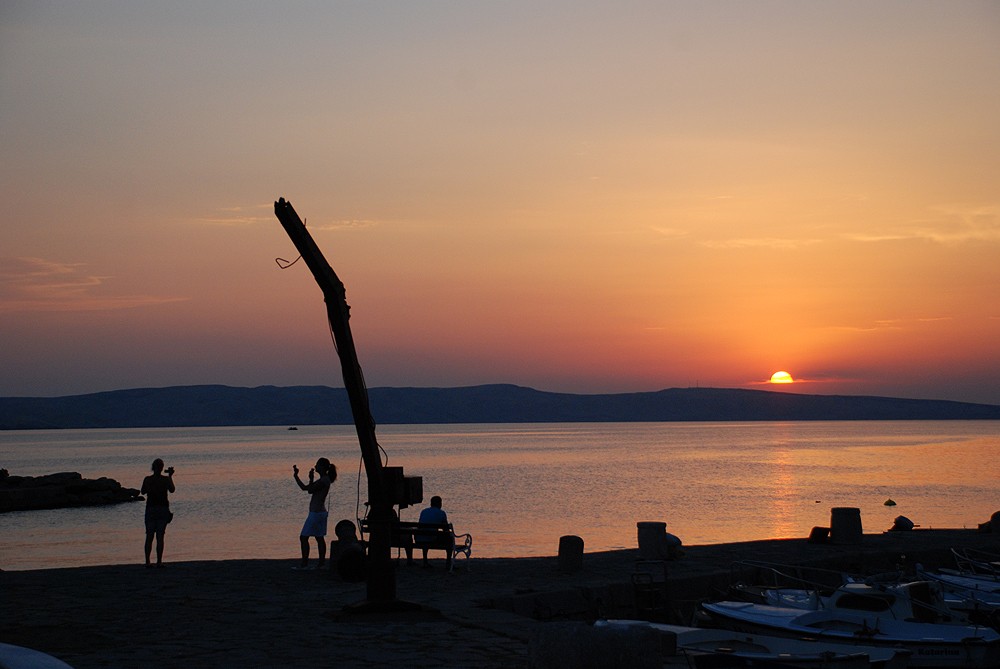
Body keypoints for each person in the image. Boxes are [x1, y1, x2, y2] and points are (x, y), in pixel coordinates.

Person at [292, 458, 335, 570]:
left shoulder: (323, 480)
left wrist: (309, 478)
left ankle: (305, 564)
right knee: (319, 537)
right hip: (319, 512)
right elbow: (306, 488)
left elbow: (309, 490)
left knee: (304, 537)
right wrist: (297, 476)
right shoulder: (324, 480)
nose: (315, 466)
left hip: (316, 513)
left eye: (317, 465)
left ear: (322, 467)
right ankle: (321, 564)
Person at [141, 458, 175, 568]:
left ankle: (147, 562)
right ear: (161, 468)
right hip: (162, 509)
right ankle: (159, 561)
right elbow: (172, 489)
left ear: (153, 467)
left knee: (149, 536)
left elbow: (143, 491)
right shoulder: (165, 480)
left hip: (151, 509)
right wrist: (170, 476)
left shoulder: (147, 479)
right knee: (160, 537)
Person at [414, 495, 451, 567]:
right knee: (450, 539)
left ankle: (425, 561)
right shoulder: (441, 513)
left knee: (425, 535)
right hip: (431, 539)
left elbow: (420, 526)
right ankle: (448, 563)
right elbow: (445, 529)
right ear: (439, 504)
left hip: (419, 539)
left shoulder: (424, 511)